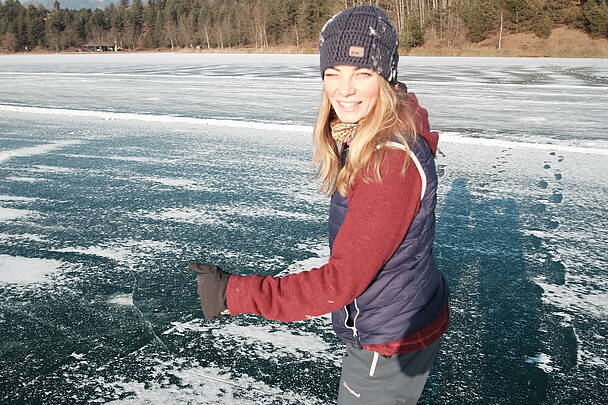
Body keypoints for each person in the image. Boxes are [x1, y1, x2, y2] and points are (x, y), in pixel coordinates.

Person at [188, 5, 449, 404]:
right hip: (398, 312)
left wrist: (236, 294)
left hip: (387, 339)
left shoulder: (388, 160)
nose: (344, 89)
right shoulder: (373, 132)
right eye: (333, 74)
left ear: (385, 76)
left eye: (362, 74)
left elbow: (340, 282)